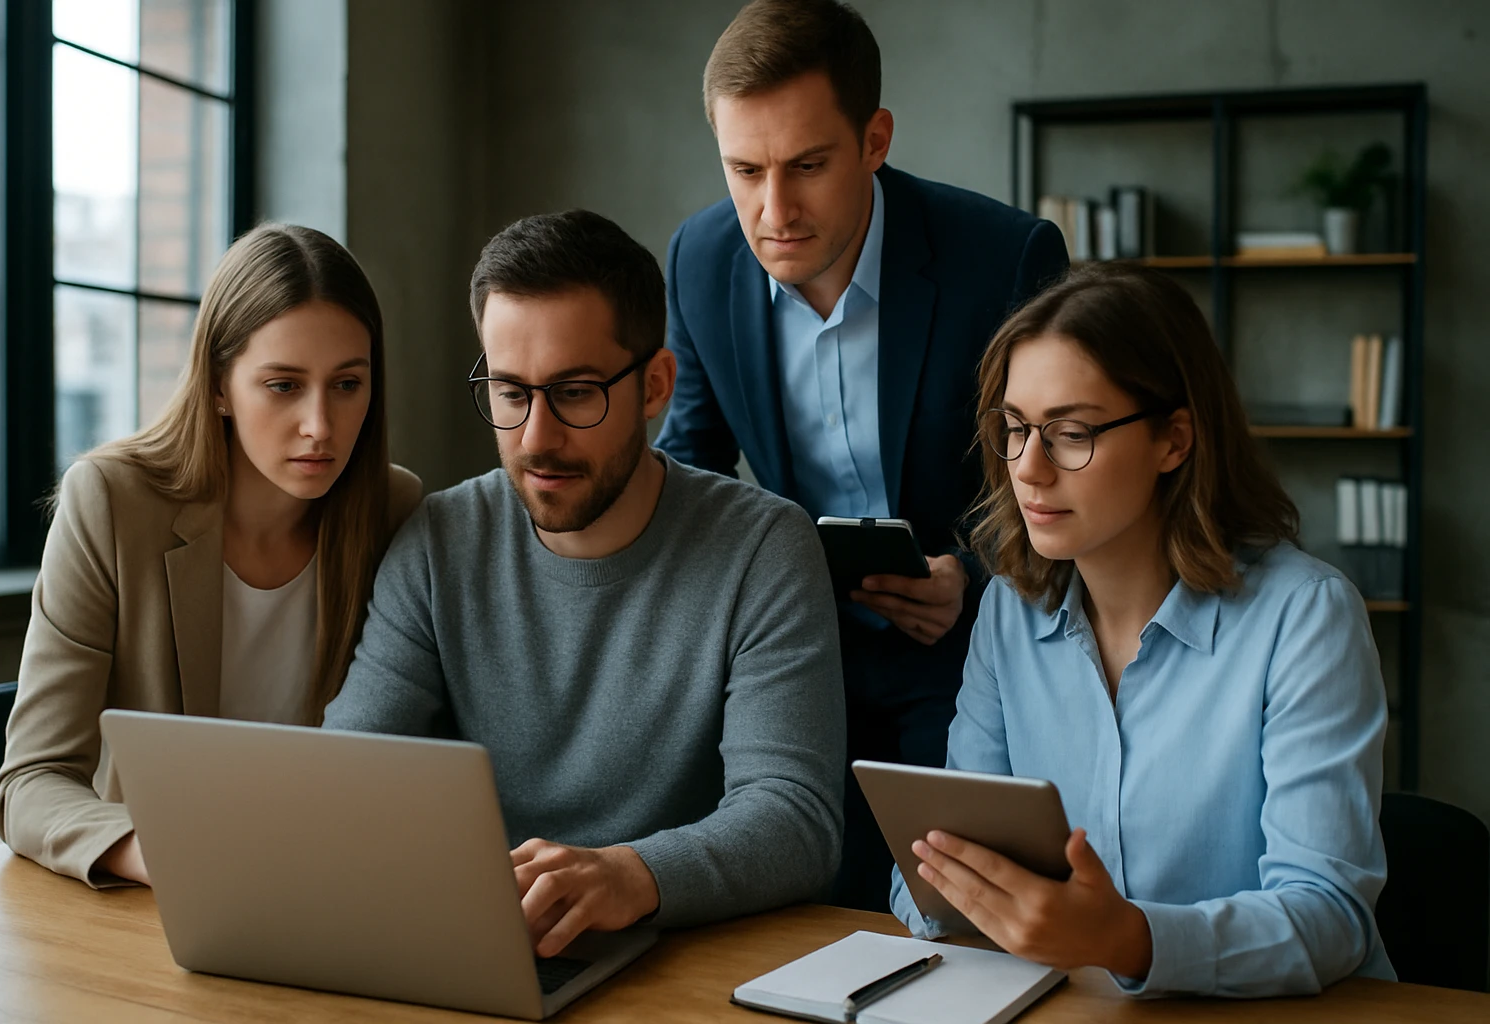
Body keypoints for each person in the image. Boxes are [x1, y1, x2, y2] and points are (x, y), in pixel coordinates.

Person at [322, 210, 845, 959]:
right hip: (491, 953)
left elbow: (797, 822)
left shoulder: (763, 547)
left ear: (656, 384)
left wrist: (630, 875)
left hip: (684, 963)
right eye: (509, 392)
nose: (536, 437)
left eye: (574, 393)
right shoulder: (437, 541)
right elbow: (348, 776)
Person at [654, 0, 1070, 909]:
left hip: (966, 651)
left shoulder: (1003, 260)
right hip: (792, 650)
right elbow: (689, 464)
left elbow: (1062, 469)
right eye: (744, 170)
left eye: (807, 166)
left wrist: (969, 573)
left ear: (874, 139)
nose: (774, 210)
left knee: (940, 918)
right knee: (785, 899)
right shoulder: (698, 259)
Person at [891, 263, 1395, 997]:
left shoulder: (1306, 617)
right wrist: (947, 894)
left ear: (1174, 441)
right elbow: (931, 873)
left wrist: (1126, 938)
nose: (1029, 469)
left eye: (1070, 433)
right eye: (1015, 429)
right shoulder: (1009, 610)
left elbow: (1330, 916)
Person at [0, 224, 422, 886]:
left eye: (347, 384)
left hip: (290, 885)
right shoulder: (111, 501)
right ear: (217, 384)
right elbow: (33, 779)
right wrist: (170, 856)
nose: (320, 425)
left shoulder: (391, 510)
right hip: (103, 888)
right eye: (283, 385)